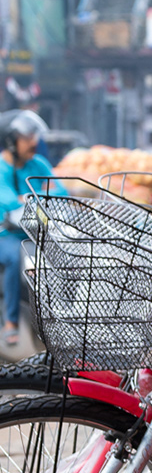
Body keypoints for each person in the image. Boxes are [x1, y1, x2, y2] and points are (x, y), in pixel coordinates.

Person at [0, 110, 57, 348]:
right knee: (15, 259)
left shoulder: (38, 164)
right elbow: (9, 201)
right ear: (12, 141)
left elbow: (60, 191)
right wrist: (38, 198)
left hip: (36, 232)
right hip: (7, 235)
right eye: (27, 138)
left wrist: (32, 198)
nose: (34, 142)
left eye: (34, 136)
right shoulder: (3, 168)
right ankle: (10, 321)